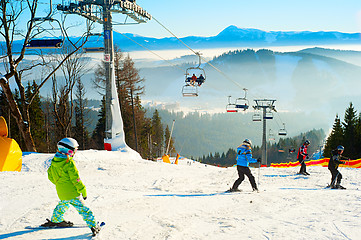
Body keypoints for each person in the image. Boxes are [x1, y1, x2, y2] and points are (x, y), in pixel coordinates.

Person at [41, 137, 101, 236]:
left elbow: (50, 176)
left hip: (61, 192)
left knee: (62, 205)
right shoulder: (69, 163)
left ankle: (56, 220)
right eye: (75, 150)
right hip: (73, 193)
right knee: (83, 209)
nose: (75, 152)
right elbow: (76, 179)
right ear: (68, 150)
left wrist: (60, 184)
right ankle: (93, 225)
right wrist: (83, 190)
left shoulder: (54, 161)